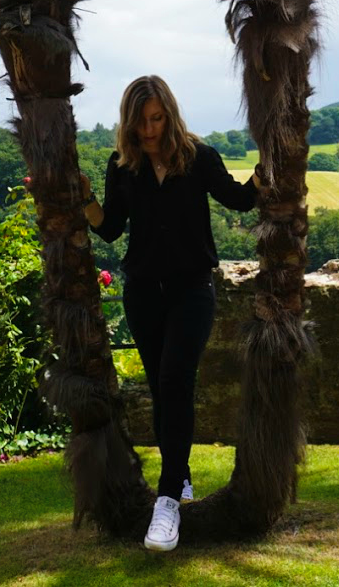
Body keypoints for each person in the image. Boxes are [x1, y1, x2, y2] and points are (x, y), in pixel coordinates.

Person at [80, 74, 259, 552]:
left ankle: (166, 504)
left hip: (191, 289)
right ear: (129, 122)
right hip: (142, 291)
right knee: (162, 387)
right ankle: (180, 478)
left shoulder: (198, 157)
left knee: (177, 379)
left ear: (170, 115)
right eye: (141, 121)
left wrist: (267, 170)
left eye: (157, 119)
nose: (150, 129)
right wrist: (86, 201)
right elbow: (112, 229)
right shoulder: (122, 166)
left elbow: (240, 199)